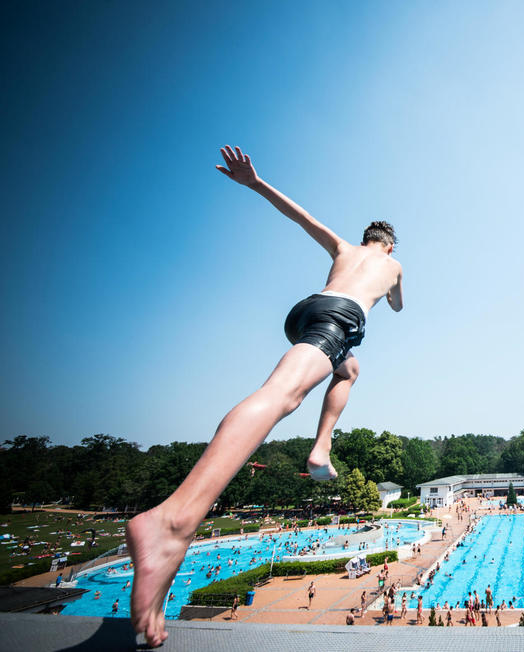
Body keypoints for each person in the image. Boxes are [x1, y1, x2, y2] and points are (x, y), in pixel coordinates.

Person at [124, 146, 405, 647]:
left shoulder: (344, 248)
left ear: (367, 240)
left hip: (307, 311)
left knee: (349, 369)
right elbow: (399, 306)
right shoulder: (393, 265)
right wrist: (392, 287)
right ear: (389, 245)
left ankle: (320, 447)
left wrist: (255, 182)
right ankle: (172, 521)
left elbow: (303, 217)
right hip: (340, 317)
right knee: (282, 394)